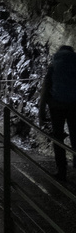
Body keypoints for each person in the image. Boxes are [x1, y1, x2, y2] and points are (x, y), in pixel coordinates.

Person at [38, 44, 76, 182]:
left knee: (58, 138)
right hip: (74, 106)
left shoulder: (54, 64)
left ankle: (62, 170)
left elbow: (45, 89)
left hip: (57, 106)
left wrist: (41, 112)